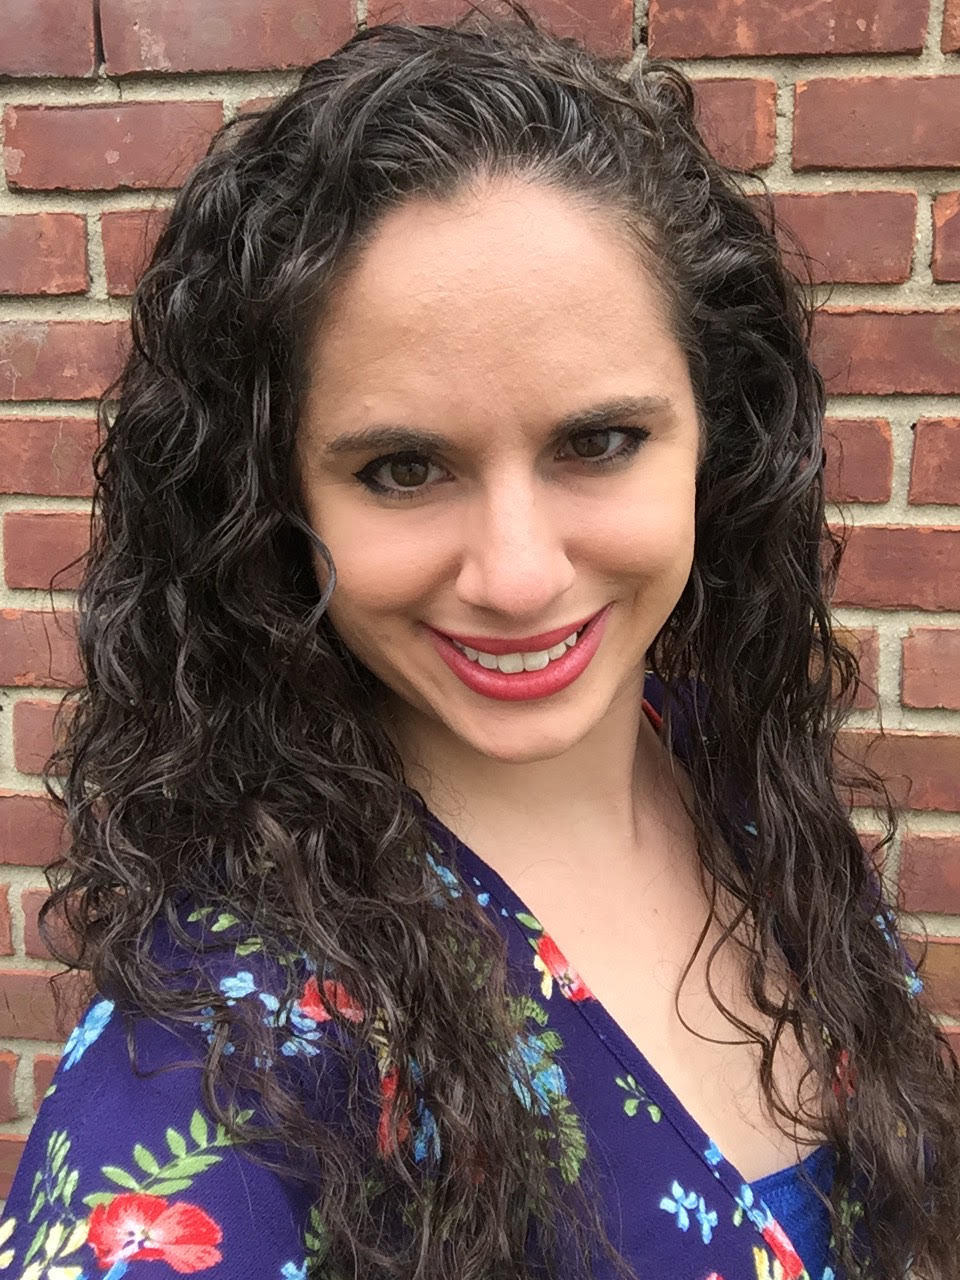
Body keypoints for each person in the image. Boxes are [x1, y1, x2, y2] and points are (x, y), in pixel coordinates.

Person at [2, 6, 957, 1279]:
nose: (518, 576)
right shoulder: (222, 1057)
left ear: (714, 439)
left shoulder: (735, 780)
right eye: (404, 467)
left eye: (599, 441)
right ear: (276, 503)